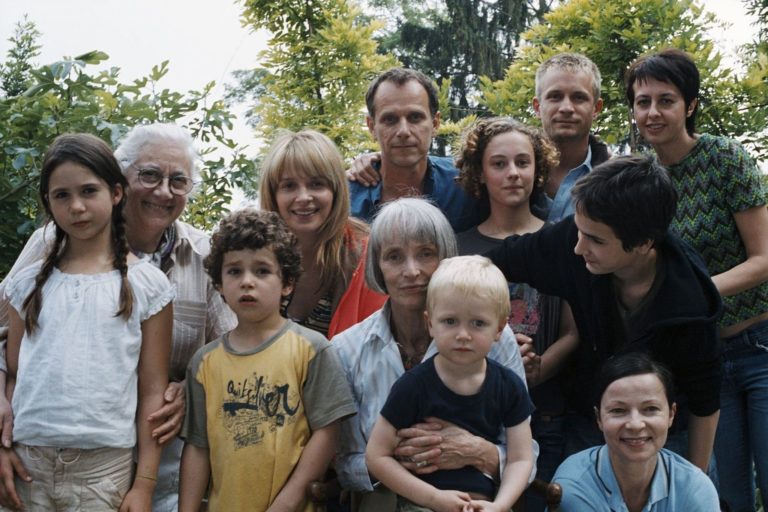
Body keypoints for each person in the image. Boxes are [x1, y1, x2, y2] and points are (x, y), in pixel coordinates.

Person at [0, 123, 236, 511]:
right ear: (123, 181)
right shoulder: (42, 258)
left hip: (127, 461)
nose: (164, 191)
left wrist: (192, 386)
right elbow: (12, 357)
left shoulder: (197, 259)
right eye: (150, 175)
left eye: (178, 181)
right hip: (30, 458)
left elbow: (234, 348)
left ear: (112, 192)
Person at [486, 155, 722, 474]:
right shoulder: (574, 237)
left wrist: (694, 478)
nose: (578, 248)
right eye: (579, 231)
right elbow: (492, 263)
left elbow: (705, 402)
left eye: (595, 240)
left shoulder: (691, 302)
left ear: (643, 243)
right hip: (588, 424)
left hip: (665, 438)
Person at [625, 48, 768, 512]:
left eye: (665, 100)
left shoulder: (724, 158)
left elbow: (764, 259)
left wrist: (695, 294)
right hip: (702, 359)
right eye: (643, 101)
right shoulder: (641, 178)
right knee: (727, 495)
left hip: (759, 346)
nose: (653, 112)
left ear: (689, 106)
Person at [333, 197, 530, 511]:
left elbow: (525, 454)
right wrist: (400, 460)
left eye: (426, 253)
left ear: (447, 258)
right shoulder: (346, 350)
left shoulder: (494, 337)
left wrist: (480, 452)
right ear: (377, 267)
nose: (411, 271)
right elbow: (344, 462)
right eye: (394, 256)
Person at [178, 208, 356, 512]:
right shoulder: (203, 363)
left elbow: (328, 432)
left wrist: (287, 502)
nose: (247, 282)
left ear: (287, 283)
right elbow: (197, 448)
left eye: (262, 271)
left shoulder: (311, 349)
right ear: (219, 284)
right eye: (234, 271)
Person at [455, 118, 578, 511]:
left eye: (523, 162)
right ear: (479, 172)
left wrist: (539, 368)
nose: (513, 173)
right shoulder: (459, 247)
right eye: (499, 163)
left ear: (537, 168)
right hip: (477, 420)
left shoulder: (565, 238)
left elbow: (574, 330)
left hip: (547, 414)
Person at [366, 255, 535, 512]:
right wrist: (433, 498)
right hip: (421, 504)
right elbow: (377, 456)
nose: (463, 335)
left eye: (478, 323)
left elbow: (521, 459)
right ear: (430, 324)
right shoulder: (412, 386)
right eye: (450, 321)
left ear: (500, 329)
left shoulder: (509, 386)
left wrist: (500, 506)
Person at [552, 352, 720, 511]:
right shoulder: (573, 487)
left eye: (650, 409)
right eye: (618, 410)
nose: (635, 424)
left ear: (671, 414)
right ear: (599, 418)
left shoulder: (695, 488)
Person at [259, 129, 386, 339]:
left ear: (336, 190)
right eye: (289, 186)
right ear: (273, 195)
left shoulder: (371, 256)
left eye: (316, 184)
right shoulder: (255, 257)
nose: (303, 197)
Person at [347, 67, 479, 232]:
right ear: (372, 127)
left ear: (435, 123)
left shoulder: (465, 183)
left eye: (415, 117)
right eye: (390, 119)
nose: (403, 131)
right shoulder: (345, 198)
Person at [530, 52, 609, 222]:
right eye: (555, 97)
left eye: (579, 98)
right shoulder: (505, 174)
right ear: (537, 107)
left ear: (596, 108)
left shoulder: (619, 182)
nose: (566, 108)